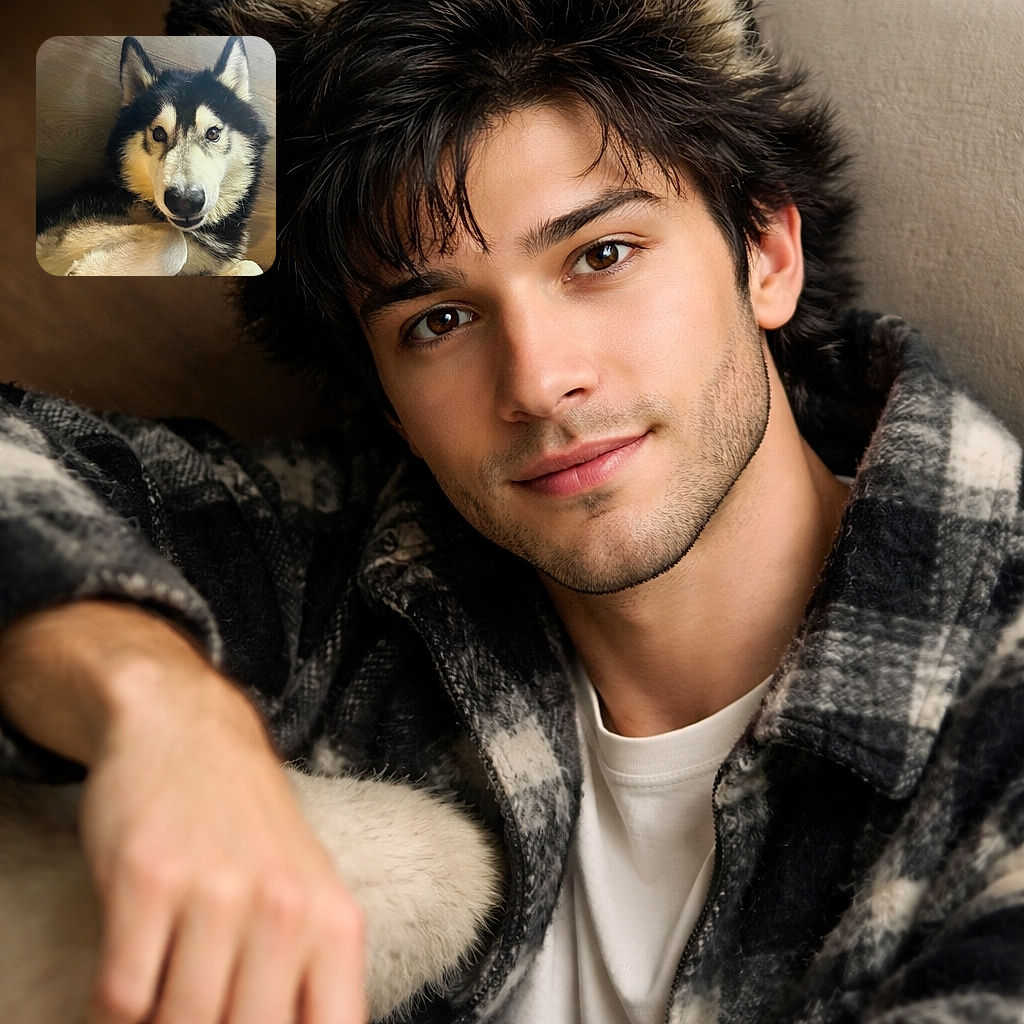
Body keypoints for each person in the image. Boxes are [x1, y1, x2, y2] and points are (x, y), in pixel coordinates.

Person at [2, 1, 1023, 1024]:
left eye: (601, 256)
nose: (537, 381)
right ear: (391, 402)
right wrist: (164, 712)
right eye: (438, 320)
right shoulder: (355, 557)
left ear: (766, 254)